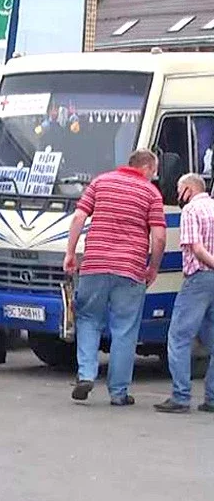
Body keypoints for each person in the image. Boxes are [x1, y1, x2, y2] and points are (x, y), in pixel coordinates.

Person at [63, 149, 166, 406]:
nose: (154, 176)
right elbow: (160, 236)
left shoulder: (101, 182)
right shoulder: (151, 193)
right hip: (130, 269)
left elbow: (78, 217)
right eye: (154, 171)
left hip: (95, 263)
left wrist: (70, 253)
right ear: (146, 168)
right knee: (124, 329)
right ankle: (118, 392)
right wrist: (153, 267)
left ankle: (86, 374)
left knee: (88, 319)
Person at [154, 174, 214, 413]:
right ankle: (212, 397)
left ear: (188, 190)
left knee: (179, 337)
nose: (177, 196)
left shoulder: (190, 211)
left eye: (179, 191)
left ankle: (180, 396)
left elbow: (196, 248)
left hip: (198, 279)